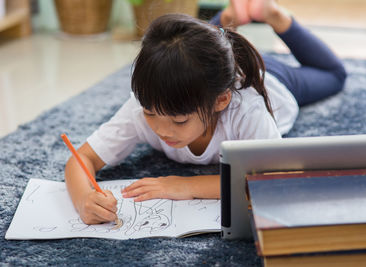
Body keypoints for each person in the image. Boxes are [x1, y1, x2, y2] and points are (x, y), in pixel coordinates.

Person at [64, 0, 347, 224]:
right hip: (203, 77)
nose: (162, 130)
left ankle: (273, 14)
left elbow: (267, 179)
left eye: (179, 120)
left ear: (221, 102)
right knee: (188, 53)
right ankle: (225, 21)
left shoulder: (247, 109)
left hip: (270, 79)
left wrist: (185, 186)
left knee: (334, 75)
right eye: (151, 114)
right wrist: (83, 199)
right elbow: (80, 159)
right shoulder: (143, 107)